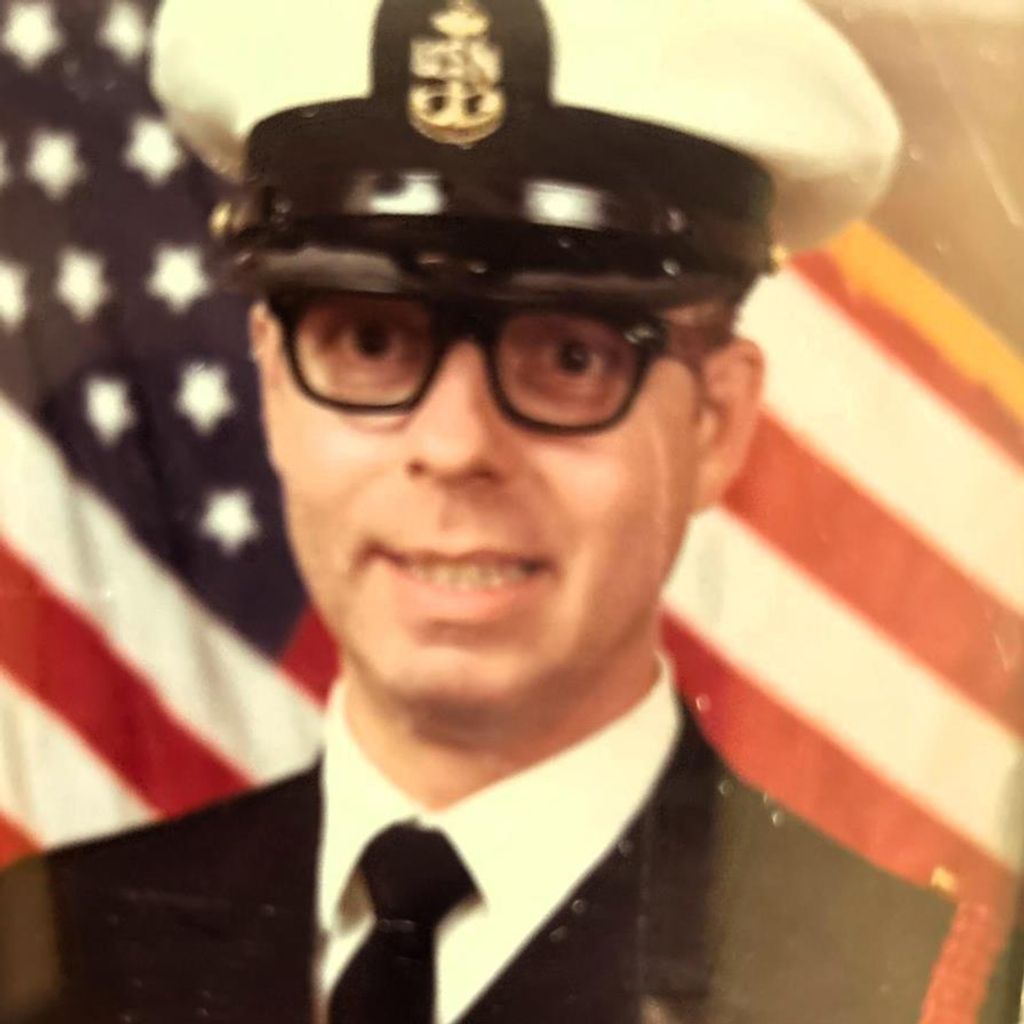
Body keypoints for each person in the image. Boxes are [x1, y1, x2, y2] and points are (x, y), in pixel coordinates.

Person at [0, 0, 1020, 1022]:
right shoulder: (53, 958)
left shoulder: (905, 994)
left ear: (713, 424)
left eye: (571, 357)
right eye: (370, 344)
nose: (454, 448)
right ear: (272, 384)